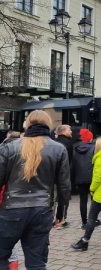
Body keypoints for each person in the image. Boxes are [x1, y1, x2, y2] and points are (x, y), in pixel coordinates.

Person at [0, 110, 71, 269]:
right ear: (49, 125)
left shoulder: (9, 147)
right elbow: (64, 186)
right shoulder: (58, 149)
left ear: (27, 124)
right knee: (37, 263)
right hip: (42, 210)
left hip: (11, 209)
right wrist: (61, 213)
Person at [71, 137, 101, 251]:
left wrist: (92, 189)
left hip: (100, 194)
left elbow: (98, 177)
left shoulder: (99, 158)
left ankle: (85, 241)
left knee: (92, 218)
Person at [71, 128, 95, 229]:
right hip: (92, 177)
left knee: (83, 200)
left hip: (80, 177)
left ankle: (84, 222)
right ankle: (93, 219)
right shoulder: (94, 148)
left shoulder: (74, 148)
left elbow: (73, 165)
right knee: (94, 200)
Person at [54, 124, 74, 229]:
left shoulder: (53, 142)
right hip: (63, 174)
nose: (71, 131)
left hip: (52, 175)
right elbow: (68, 160)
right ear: (63, 132)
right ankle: (61, 219)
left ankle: (53, 219)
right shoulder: (68, 143)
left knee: (53, 198)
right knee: (63, 198)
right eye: (69, 130)